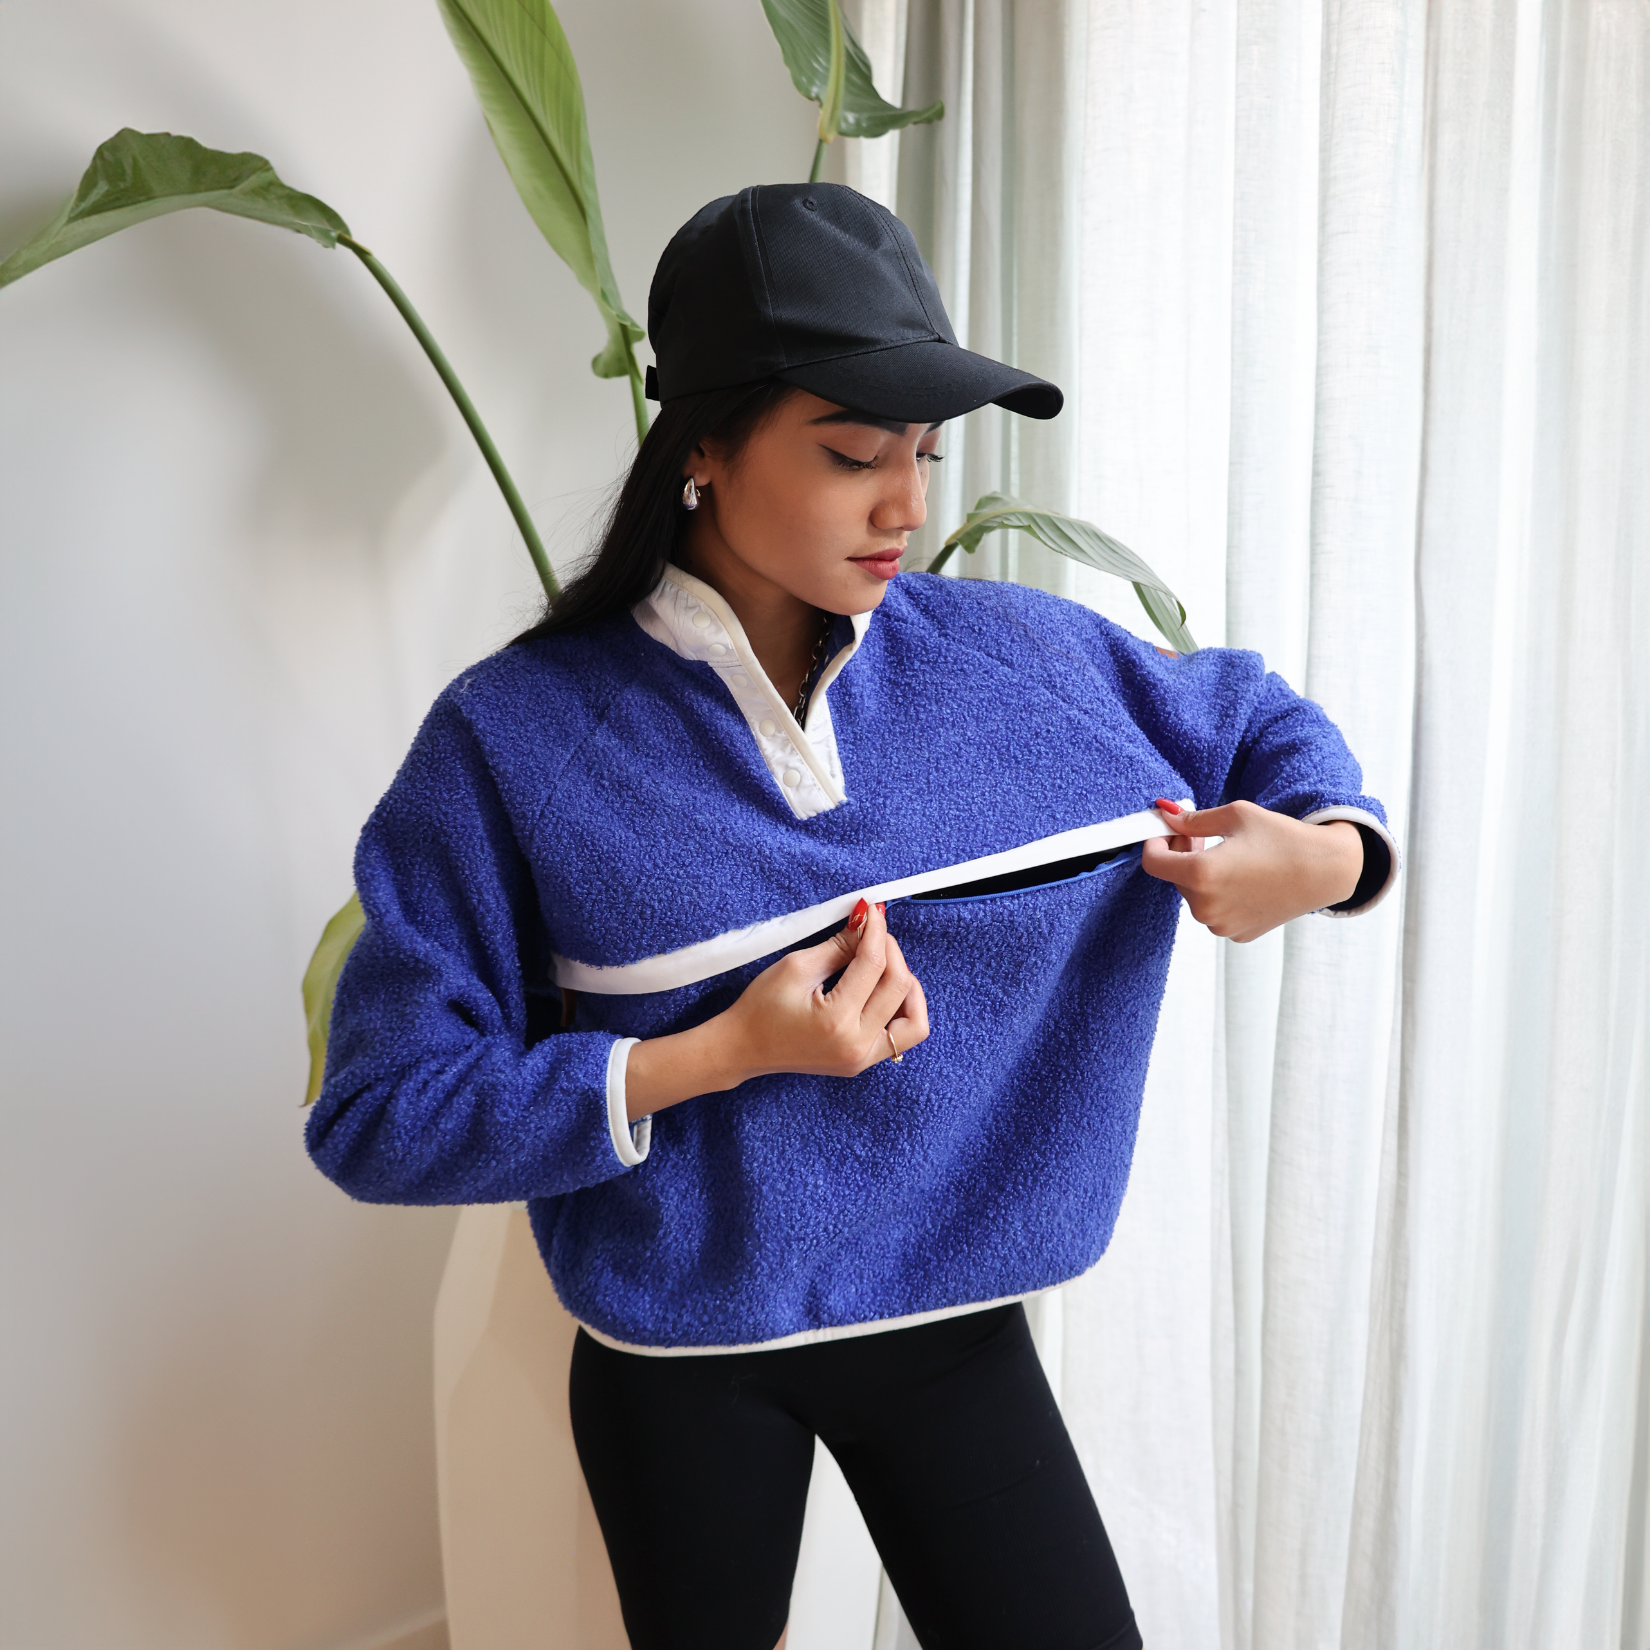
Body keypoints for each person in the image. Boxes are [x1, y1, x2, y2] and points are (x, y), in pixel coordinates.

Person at [306, 183, 1396, 1650]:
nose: (907, 505)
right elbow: (378, 1114)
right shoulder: (518, 737)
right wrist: (717, 1053)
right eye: (851, 452)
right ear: (702, 445)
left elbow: (1257, 717)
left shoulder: (1013, 663)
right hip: (678, 1351)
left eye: (925, 453)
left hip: (949, 1322)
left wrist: (1325, 856)